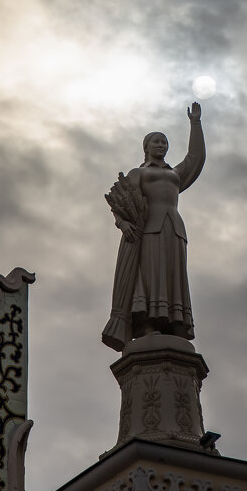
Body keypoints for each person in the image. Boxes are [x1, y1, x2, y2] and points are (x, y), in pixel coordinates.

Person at [102, 102, 205, 351]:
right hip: (148, 231)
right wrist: (124, 223)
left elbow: (196, 158)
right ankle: (148, 323)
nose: (162, 145)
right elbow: (121, 205)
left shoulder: (175, 174)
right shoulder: (138, 173)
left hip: (174, 231)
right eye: (157, 141)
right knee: (150, 275)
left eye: (165, 142)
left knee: (172, 275)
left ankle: (174, 322)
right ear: (146, 147)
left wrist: (195, 123)